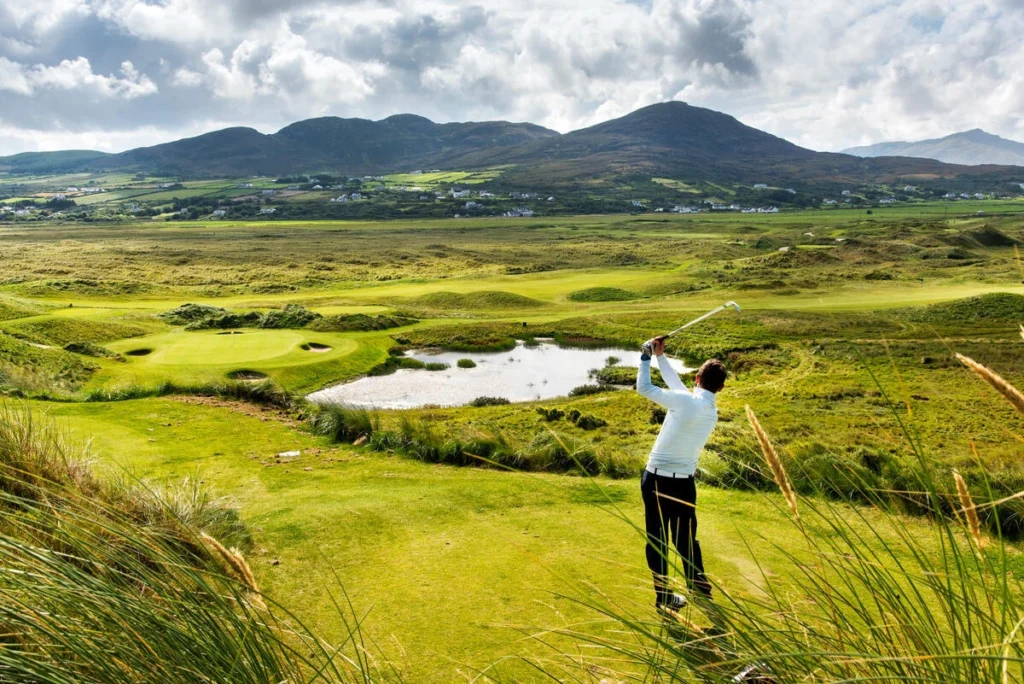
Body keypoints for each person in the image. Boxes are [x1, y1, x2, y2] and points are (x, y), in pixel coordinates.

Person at [636, 336, 727, 611]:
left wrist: (644, 357)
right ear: (720, 388)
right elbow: (679, 390)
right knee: (686, 538)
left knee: (657, 539)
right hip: (684, 485)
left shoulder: (685, 402)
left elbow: (644, 388)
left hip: (655, 480)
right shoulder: (710, 410)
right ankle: (699, 588)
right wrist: (660, 357)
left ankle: (664, 596)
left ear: (697, 378)